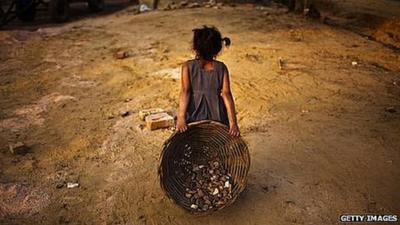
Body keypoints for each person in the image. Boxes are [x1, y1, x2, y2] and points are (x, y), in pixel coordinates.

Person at [176, 25, 240, 137]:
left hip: (194, 118)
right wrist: (233, 123)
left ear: (195, 47)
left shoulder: (187, 67)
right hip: (218, 118)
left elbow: (185, 92)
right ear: (218, 48)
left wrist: (181, 118)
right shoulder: (222, 68)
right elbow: (226, 94)